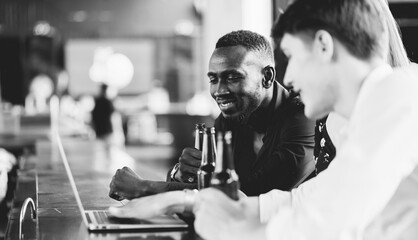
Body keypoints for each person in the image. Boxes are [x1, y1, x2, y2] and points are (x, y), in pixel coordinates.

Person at [108, 0, 418, 239]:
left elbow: (322, 224)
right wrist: (184, 201)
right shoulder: (346, 119)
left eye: (293, 56)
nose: (291, 76)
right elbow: (304, 201)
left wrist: (225, 226)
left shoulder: (396, 95)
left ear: (324, 45)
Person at [109, 30, 316, 199]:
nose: (219, 90)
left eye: (233, 77)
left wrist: (145, 188)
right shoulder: (232, 118)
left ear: (267, 77)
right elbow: (205, 184)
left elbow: (251, 195)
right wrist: (181, 173)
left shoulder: (305, 117)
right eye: (213, 79)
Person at [91, 83, 125, 149]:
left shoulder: (97, 102)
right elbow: (114, 118)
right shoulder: (108, 102)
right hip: (108, 132)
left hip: (99, 132)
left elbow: (93, 118)